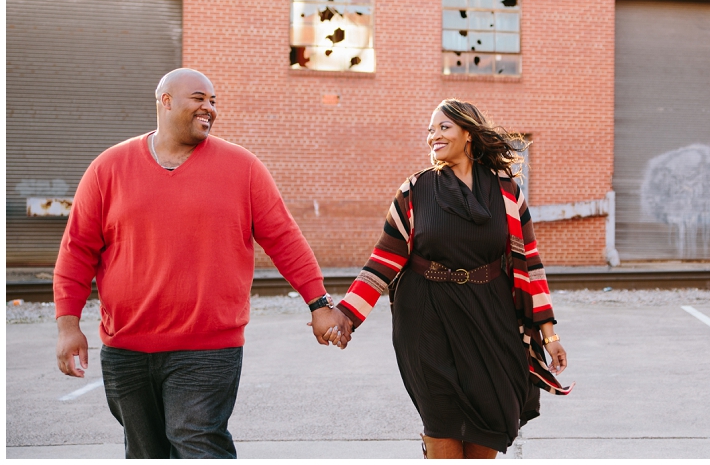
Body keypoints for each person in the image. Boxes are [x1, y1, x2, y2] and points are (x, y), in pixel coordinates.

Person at [53, 68, 352, 459]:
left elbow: (285, 240)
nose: (209, 108)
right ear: (165, 101)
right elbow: (77, 251)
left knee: (196, 441)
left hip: (208, 348)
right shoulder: (109, 168)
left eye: (213, 101)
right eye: (199, 98)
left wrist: (319, 305)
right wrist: (68, 326)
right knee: (145, 451)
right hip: (125, 348)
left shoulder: (242, 167)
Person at [333, 99, 573, 459]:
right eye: (430, 130)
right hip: (426, 321)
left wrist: (549, 333)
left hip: (491, 318)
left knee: (486, 429)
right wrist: (346, 315)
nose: (434, 136)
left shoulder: (507, 193)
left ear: (469, 134)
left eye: (443, 127)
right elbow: (383, 261)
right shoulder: (414, 191)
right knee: (442, 424)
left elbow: (530, 266)